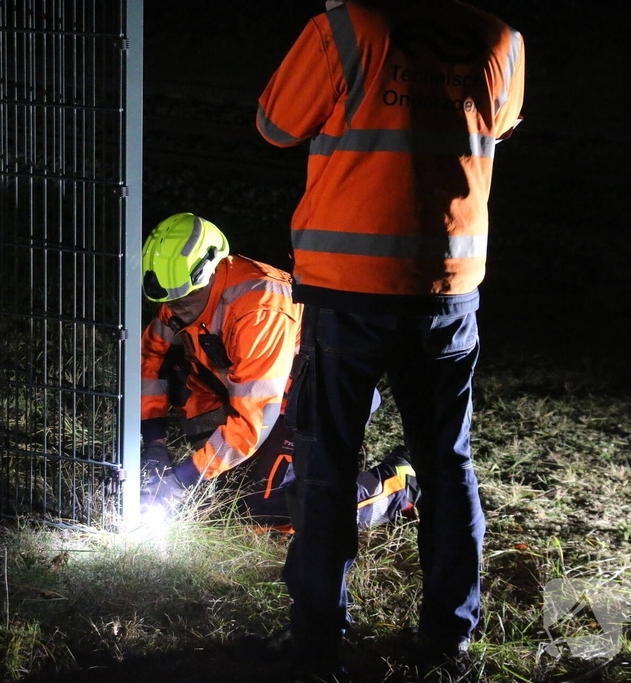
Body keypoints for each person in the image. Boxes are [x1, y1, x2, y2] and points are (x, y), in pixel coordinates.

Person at [256, 0, 525, 679]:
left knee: (326, 466)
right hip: (446, 290)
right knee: (447, 465)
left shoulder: (348, 28)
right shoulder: (501, 38)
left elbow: (273, 124)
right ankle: (446, 639)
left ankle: (316, 643)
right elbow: (504, 123)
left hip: (349, 290)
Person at [138, 212, 418, 531]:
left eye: (184, 297)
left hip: (315, 404)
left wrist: (184, 478)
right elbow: (151, 358)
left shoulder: (259, 309)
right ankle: (237, 464)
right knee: (175, 372)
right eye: (169, 300)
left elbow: (254, 421)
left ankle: (402, 482)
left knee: (267, 504)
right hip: (257, 397)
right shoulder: (181, 295)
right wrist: (154, 445)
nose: (175, 308)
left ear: (211, 270)